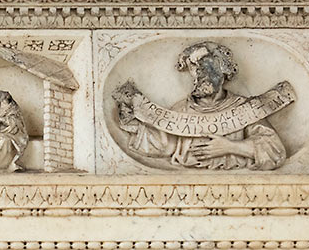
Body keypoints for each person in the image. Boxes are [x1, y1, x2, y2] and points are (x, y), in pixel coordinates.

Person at [114, 40, 288, 171]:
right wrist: (133, 121)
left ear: (224, 71)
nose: (199, 75)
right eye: (195, 70)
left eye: (206, 68)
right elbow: (164, 143)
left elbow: (274, 151)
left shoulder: (244, 108)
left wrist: (230, 147)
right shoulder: (182, 109)